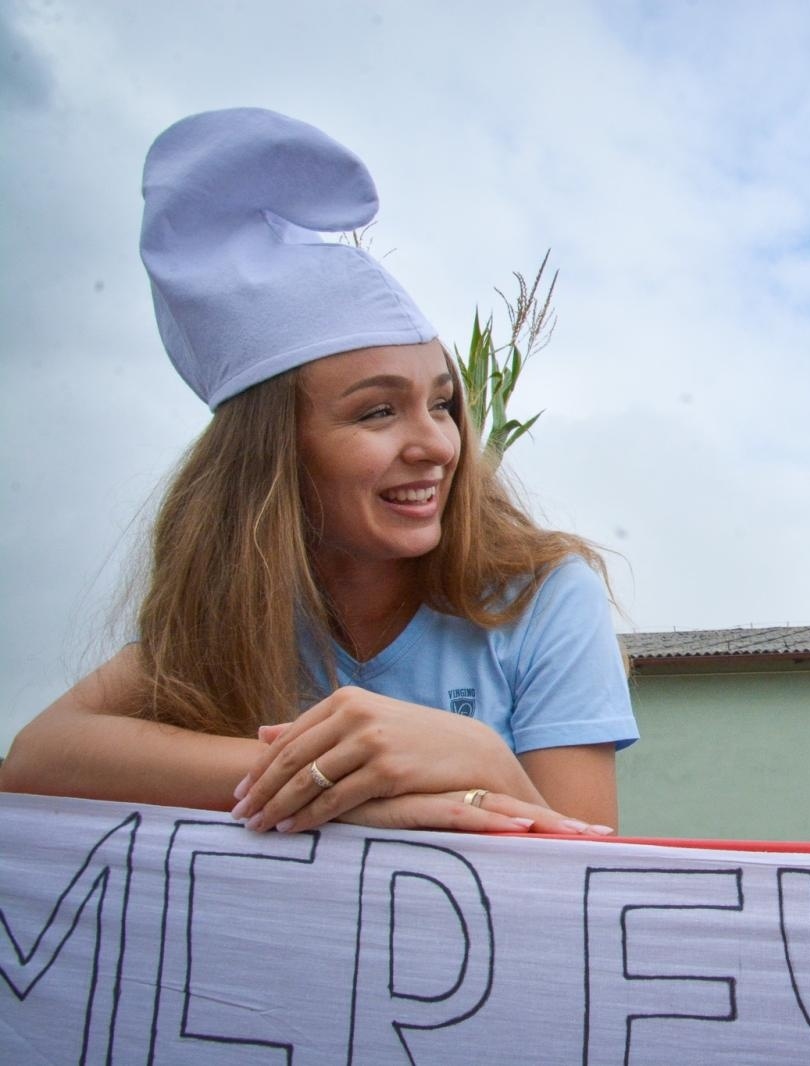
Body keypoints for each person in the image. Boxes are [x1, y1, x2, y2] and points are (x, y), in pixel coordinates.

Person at [0, 108, 638, 836]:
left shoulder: (542, 600)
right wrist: (347, 778)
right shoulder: (231, 616)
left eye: (441, 403)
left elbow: (584, 877)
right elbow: (35, 758)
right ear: (274, 460)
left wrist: (480, 757)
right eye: (376, 413)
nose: (437, 444)